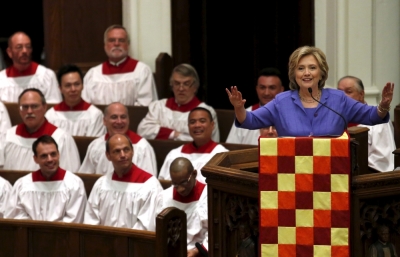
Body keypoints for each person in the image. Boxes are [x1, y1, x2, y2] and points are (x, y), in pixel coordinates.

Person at [226, 46, 394, 137]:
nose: (306, 73)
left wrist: (383, 105)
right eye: (301, 68)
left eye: (312, 68)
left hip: (332, 177)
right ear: (294, 74)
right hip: (291, 177)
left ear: (321, 72)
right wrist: (239, 107)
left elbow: (372, 116)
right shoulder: (281, 101)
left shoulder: (338, 99)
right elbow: (250, 121)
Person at [84, 133, 163, 230]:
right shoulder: (101, 185)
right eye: (117, 151)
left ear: (133, 151)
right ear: (108, 155)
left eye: (126, 150)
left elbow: (147, 225)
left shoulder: (149, 185)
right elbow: (91, 220)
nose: (123, 155)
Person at [3, 135, 87, 222]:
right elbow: (14, 217)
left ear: (58, 155)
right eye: (44, 156)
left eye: (53, 154)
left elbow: (74, 220)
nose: (50, 159)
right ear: (35, 159)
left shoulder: (74, 184)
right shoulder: (22, 185)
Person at [0, 88, 81, 172]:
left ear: (44, 107)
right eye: (25, 107)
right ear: (19, 110)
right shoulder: (8, 136)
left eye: (34, 106)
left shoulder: (61, 138)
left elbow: (70, 176)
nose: (29, 111)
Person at [137, 63, 220, 142]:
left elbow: (204, 140)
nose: (181, 88)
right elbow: (143, 130)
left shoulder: (205, 111)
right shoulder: (159, 107)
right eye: (177, 83)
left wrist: (162, 132)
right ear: (172, 86)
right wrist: (174, 134)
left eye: (186, 84)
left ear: (195, 87)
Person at [82, 25, 158, 106]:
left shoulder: (142, 71)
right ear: (105, 45)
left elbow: (145, 105)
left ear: (128, 45)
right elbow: (86, 107)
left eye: (121, 40)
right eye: (112, 40)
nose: (116, 44)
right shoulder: (93, 74)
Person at [78, 102, 157, 176]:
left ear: (128, 120)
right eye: (114, 117)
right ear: (105, 121)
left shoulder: (142, 147)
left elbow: (148, 181)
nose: (119, 121)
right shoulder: (96, 145)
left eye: (123, 117)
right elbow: (87, 177)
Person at [337, 76, 396, 172]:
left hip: (367, 179)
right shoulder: (334, 118)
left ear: (361, 94)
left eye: (348, 91)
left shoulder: (378, 119)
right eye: (339, 92)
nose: (342, 96)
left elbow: (382, 162)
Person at [158, 107, 228, 183]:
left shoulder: (222, 155)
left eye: (202, 121)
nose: (197, 125)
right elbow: (164, 183)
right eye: (192, 122)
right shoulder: (175, 154)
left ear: (212, 125)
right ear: (188, 126)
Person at [156, 157, 208, 257]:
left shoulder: (207, 195)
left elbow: (214, 231)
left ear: (194, 174)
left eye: (184, 182)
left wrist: (197, 251)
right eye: (175, 184)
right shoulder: (165, 197)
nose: (180, 189)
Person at [226, 67, 283, 144]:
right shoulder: (244, 114)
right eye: (262, 87)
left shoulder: (289, 113)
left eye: (272, 88)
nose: (266, 93)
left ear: (281, 89)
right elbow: (231, 147)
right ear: (257, 89)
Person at [0, 32, 61, 103]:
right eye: (19, 47)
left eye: (28, 46)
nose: (24, 51)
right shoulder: (2, 79)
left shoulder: (46, 76)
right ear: (9, 52)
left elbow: (53, 107)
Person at [45, 64, 106, 137]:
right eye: (68, 85)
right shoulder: (51, 115)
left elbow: (95, 144)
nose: (73, 89)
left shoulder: (95, 115)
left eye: (77, 84)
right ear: (60, 89)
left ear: (83, 86)